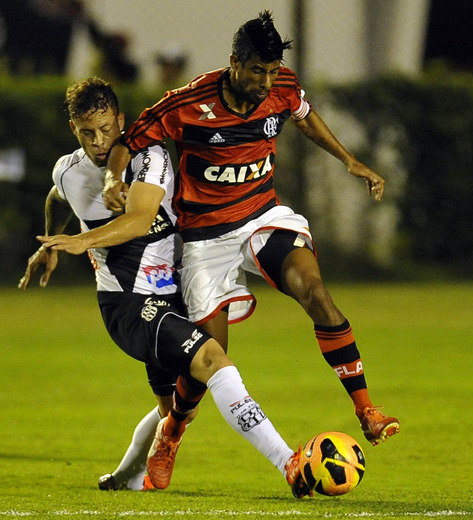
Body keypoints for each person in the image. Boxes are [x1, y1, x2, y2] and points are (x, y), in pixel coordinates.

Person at [102, 10, 399, 453]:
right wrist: (113, 179)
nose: (265, 81)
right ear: (234, 62)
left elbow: (304, 113)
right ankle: (172, 434)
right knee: (209, 360)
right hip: (205, 238)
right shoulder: (188, 103)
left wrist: (349, 160)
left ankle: (366, 410)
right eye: (257, 70)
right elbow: (128, 141)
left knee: (315, 291)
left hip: (263, 216)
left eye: (272, 71)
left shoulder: (281, 88)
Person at [19, 77, 313, 498]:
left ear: (121, 121)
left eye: (106, 129)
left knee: (174, 410)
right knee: (214, 361)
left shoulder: (150, 157)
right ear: (74, 130)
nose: (99, 142)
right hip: (127, 304)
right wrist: (48, 243)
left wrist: (80, 241)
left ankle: (124, 478)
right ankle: (290, 462)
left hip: (173, 296)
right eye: (87, 133)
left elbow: (139, 220)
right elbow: (58, 196)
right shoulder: (68, 170)